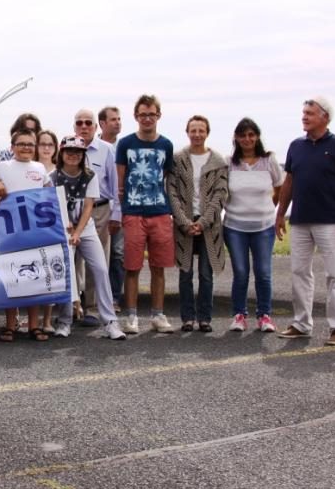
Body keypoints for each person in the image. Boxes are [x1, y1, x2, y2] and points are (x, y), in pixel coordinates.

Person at [275, 97, 335, 346]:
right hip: (300, 221)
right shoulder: (296, 146)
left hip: (331, 222)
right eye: (303, 112)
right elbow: (289, 182)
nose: (304, 117)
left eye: (310, 113)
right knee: (299, 272)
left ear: (325, 117)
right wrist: (280, 214)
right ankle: (301, 323)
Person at [49, 136, 126, 340]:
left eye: (78, 152)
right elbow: (50, 206)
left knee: (100, 269)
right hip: (63, 229)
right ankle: (65, 320)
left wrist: (77, 233)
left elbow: (89, 207)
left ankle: (110, 321)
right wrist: (67, 231)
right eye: (69, 151)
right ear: (62, 154)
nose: (73, 155)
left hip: (85, 227)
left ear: (83, 155)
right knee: (68, 274)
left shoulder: (89, 176)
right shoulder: (53, 177)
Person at [116, 95, 175, 334]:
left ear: (158, 115)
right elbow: (120, 183)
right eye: (143, 115)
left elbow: (168, 178)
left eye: (151, 114)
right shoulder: (125, 144)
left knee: (159, 267)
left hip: (160, 211)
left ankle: (157, 315)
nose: (147, 118)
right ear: (136, 117)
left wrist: (169, 209)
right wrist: (123, 211)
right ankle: (131, 316)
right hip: (133, 211)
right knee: (132, 267)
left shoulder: (166, 145)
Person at [0, 129, 51, 342]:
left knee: (35, 277)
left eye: (30, 144)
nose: (26, 147)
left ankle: (34, 325)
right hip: (9, 229)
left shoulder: (40, 167)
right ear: (12, 146)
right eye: (21, 144)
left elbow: (50, 192)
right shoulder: (3, 166)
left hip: (34, 229)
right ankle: (10, 324)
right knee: (11, 276)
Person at [167, 116, 228, 332]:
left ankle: (205, 318)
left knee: (205, 272)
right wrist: (184, 222)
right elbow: (171, 191)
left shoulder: (218, 161)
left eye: (201, 130)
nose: (197, 134)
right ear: (187, 132)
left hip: (209, 225)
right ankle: (187, 318)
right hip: (184, 223)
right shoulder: (178, 159)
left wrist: (203, 222)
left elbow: (220, 194)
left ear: (207, 132)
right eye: (193, 130)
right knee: (185, 273)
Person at [223, 118, 283, 333]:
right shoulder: (229, 162)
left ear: (257, 137)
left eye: (251, 135)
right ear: (236, 138)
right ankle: (239, 315)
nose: (247, 139)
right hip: (234, 226)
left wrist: (271, 211)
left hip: (264, 227)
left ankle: (264, 315)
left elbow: (280, 188)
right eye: (242, 135)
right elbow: (222, 192)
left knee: (263, 272)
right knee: (240, 271)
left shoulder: (269, 161)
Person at [73, 108, 121, 326]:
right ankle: (74, 307)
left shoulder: (107, 150)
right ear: (74, 126)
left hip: (100, 209)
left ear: (95, 126)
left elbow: (115, 185)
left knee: (98, 261)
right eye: (79, 123)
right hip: (73, 210)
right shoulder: (68, 147)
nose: (84, 126)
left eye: (88, 123)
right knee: (74, 260)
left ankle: (92, 308)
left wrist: (116, 214)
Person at [98, 106, 125, 309]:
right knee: (94, 254)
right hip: (95, 208)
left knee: (117, 252)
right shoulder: (92, 146)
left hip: (119, 206)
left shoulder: (124, 147)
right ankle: (90, 296)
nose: (117, 122)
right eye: (113, 119)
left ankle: (114, 296)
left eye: (119, 119)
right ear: (102, 123)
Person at [35, 129, 60, 334]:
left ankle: (48, 320)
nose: (45, 148)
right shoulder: (31, 168)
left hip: (51, 227)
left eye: (50, 144)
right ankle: (30, 320)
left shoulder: (59, 172)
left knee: (50, 271)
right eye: (42, 143)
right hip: (30, 227)